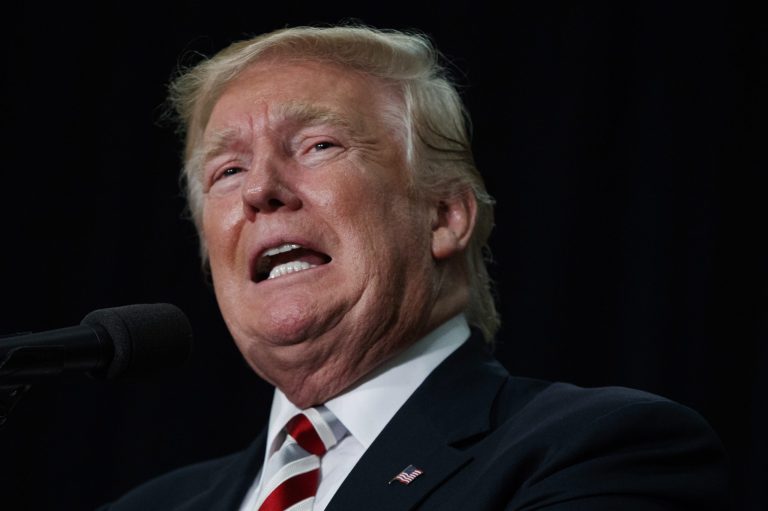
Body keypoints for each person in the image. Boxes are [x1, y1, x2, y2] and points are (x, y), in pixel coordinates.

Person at [99, 25, 728, 510]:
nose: (259, 189)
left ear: (445, 216)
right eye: (227, 171)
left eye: (319, 145)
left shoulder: (594, 452)